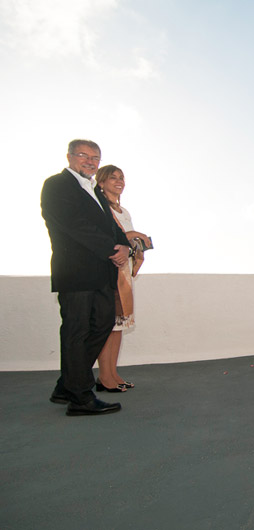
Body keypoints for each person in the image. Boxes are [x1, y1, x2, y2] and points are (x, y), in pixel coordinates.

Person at [41, 140, 131, 415]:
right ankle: (79, 398)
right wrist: (110, 250)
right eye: (83, 155)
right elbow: (72, 224)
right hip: (76, 272)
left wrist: (123, 247)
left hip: (102, 274)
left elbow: (110, 226)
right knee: (76, 332)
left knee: (102, 324)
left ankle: (66, 385)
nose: (90, 161)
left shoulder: (95, 191)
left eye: (95, 157)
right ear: (69, 157)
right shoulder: (57, 185)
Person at [94, 165, 152, 392]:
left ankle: (113, 373)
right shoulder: (100, 208)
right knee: (108, 326)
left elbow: (126, 241)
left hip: (125, 272)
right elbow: (111, 238)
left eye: (121, 178)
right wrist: (136, 235)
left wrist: (139, 246)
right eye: (112, 178)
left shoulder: (124, 211)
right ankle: (104, 377)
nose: (118, 181)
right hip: (110, 272)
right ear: (101, 182)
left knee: (119, 325)